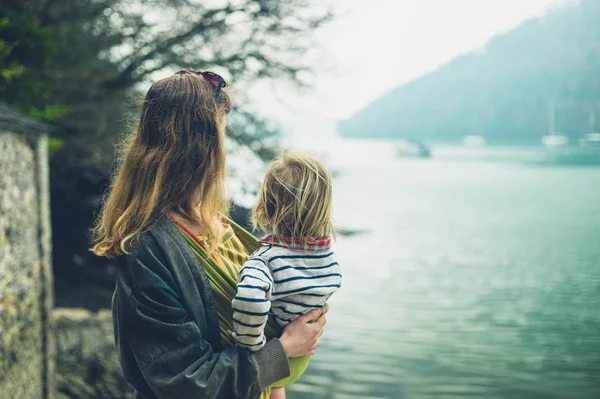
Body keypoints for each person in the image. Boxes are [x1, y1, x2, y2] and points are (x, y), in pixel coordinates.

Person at [92, 70, 327, 399]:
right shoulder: (149, 248)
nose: (224, 149)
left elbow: (268, 361)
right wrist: (284, 351)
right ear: (202, 147)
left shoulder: (219, 224)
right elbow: (185, 381)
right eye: (221, 132)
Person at [230, 152, 342, 397]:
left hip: (277, 360)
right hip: (302, 356)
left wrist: (250, 345)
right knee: (276, 389)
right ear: (323, 209)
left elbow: (250, 298)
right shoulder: (327, 256)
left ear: (266, 206)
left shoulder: (266, 260)